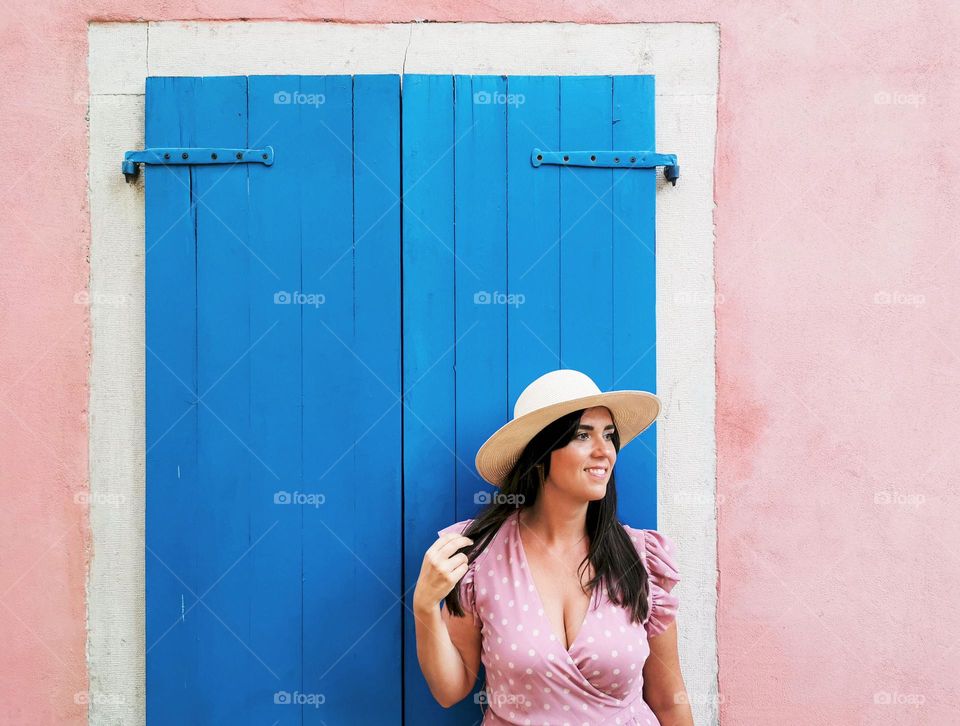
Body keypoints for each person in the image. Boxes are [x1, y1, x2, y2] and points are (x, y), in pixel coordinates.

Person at [413, 369, 694, 725]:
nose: (603, 451)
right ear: (540, 452)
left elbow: (670, 701)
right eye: (582, 435)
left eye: (609, 436)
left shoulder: (640, 558)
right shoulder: (480, 557)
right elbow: (450, 689)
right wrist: (424, 605)